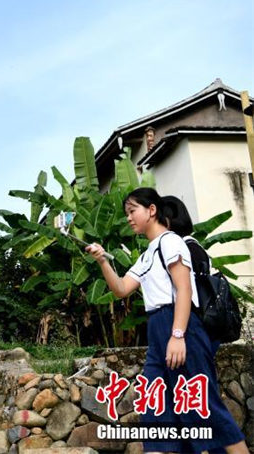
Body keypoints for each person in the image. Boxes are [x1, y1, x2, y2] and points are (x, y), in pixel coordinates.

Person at [85, 187, 246, 454]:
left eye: (132, 211)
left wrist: (178, 334)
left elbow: (184, 289)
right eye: (126, 213)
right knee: (154, 403)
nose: (128, 218)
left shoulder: (171, 242)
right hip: (157, 329)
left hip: (181, 325)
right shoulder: (148, 253)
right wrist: (102, 261)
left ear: (152, 210)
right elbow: (122, 289)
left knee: (202, 403)